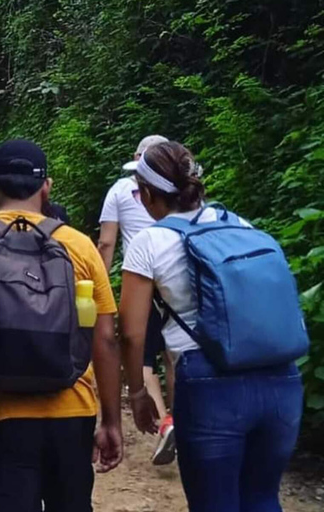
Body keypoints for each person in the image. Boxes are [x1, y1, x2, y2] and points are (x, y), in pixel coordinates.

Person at [0, 140, 123, 511]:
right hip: (72, 414)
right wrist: (111, 420)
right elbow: (106, 339)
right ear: (46, 186)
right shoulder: (79, 247)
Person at [119, 141, 304, 511]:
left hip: (210, 386)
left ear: (150, 194)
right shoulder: (241, 224)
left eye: (139, 191)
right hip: (281, 381)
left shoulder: (149, 241)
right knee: (263, 498)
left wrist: (138, 392)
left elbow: (131, 331)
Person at [97, 134, 176, 465]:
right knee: (175, 353)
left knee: (141, 354)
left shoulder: (119, 190)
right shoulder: (178, 188)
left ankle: (163, 421)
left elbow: (107, 242)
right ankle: (182, 417)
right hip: (177, 274)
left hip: (142, 278)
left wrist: (99, 285)